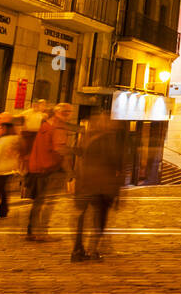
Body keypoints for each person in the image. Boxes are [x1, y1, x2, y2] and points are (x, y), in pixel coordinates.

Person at [71, 118, 124, 262]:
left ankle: (78, 250)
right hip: (101, 186)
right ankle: (93, 250)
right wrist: (117, 190)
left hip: (86, 184)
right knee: (99, 219)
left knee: (83, 218)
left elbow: (78, 157)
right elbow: (115, 164)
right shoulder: (107, 140)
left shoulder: (85, 139)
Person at [26, 102, 73, 241]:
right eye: (69, 112)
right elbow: (60, 149)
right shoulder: (57, 127)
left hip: (37, 167)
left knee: (39, 202)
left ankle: (32, 231)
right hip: (51, 169)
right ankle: (42, 233)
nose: (70, 115)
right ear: (63, 113)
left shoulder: (45, 124)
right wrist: (71, 168)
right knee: (48, 202)